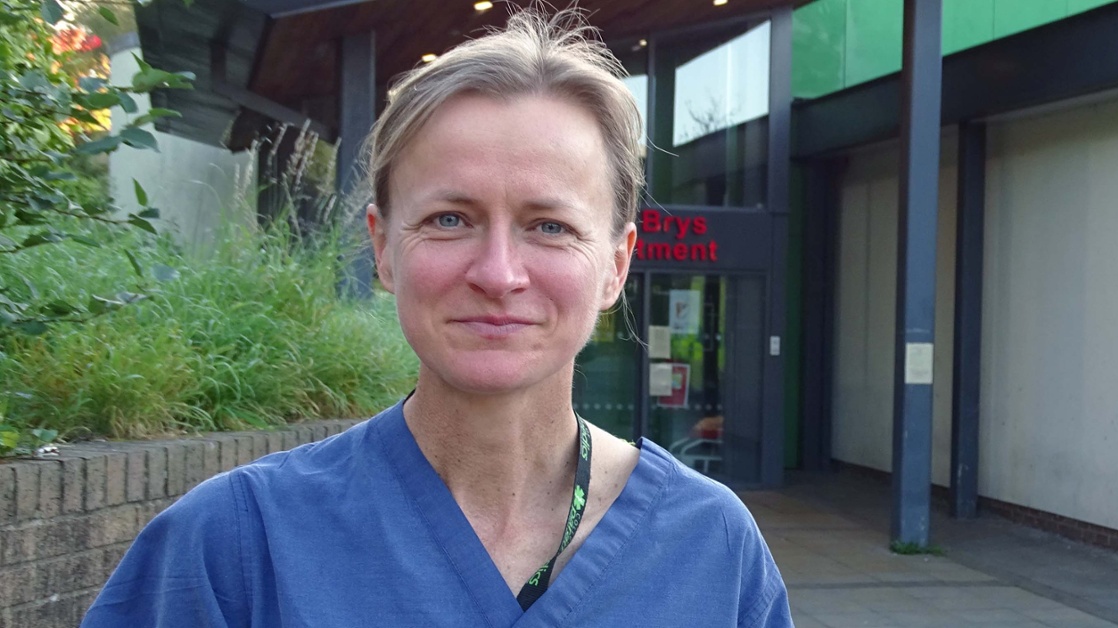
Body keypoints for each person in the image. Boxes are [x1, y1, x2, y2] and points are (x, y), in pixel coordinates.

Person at [81, 9, 792, 627]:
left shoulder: (710, 547)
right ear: (383, 248)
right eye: (450, 219)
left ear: (615, 263)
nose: (498, 273)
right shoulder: (236, 546)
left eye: (549, 226)